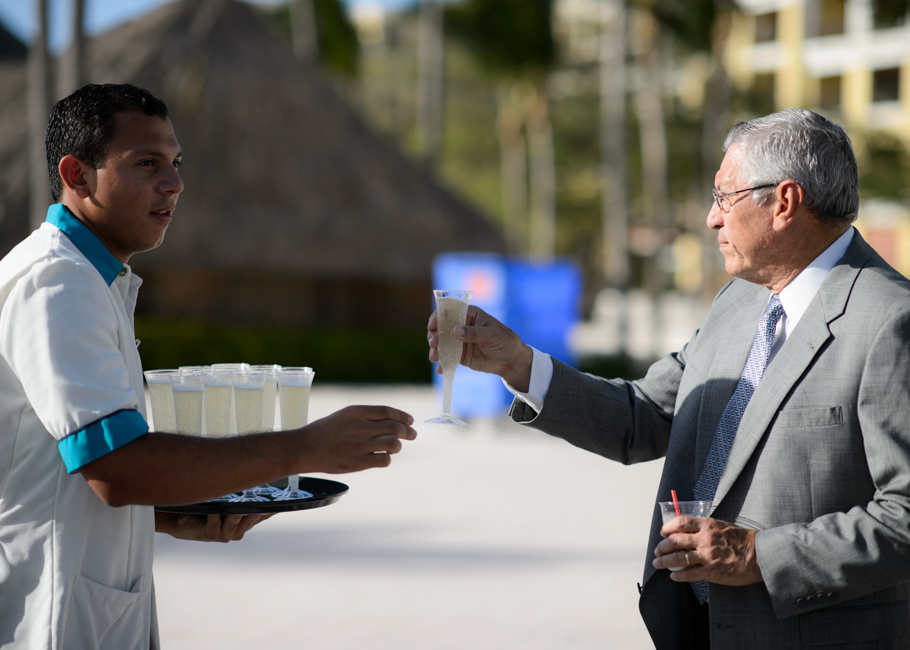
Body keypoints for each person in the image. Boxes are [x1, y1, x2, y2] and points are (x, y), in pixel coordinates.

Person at [428, 108, 910, 649]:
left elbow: (905, 516)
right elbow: (644, 416)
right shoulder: (740, 300)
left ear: (783, 202)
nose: (711, 218)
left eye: (724, 197)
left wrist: (758, 556)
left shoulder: (892, 320)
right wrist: (518, 364)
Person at [0, 83, 417, 650]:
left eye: (175, 163)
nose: (173, 183)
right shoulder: (58, 282)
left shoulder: (93, 280)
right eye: (145, 164)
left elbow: (55, 477)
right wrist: (304, 447)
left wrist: (169, 517)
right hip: (51, 625)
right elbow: (116, 469)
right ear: (77, 175)